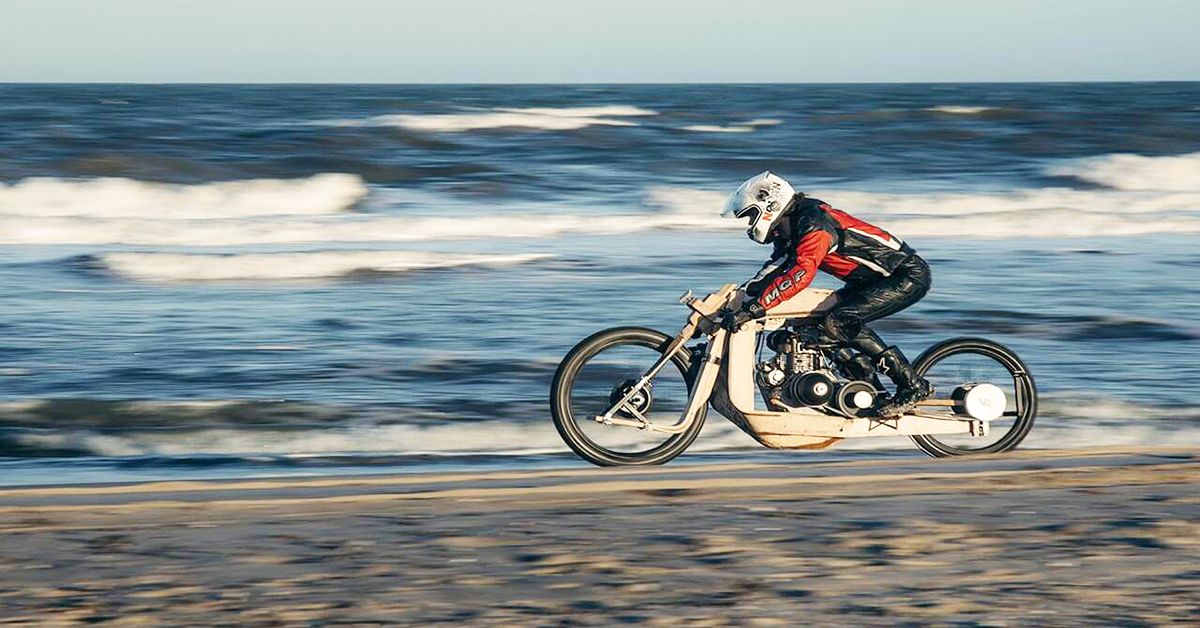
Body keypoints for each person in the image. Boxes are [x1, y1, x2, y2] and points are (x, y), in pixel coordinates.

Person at [721, 171, 933, 418]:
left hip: (903, 276)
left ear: (769, 205)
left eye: (750, 216)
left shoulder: (814, 225)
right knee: (811, 332)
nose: (749, 224)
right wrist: (740, 299)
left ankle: (913, 386)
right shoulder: (790, 228)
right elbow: (775, 269)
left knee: (839, 321)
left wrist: (755, 308)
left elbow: (800, 273)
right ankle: (869, 390)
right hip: (869, 281)